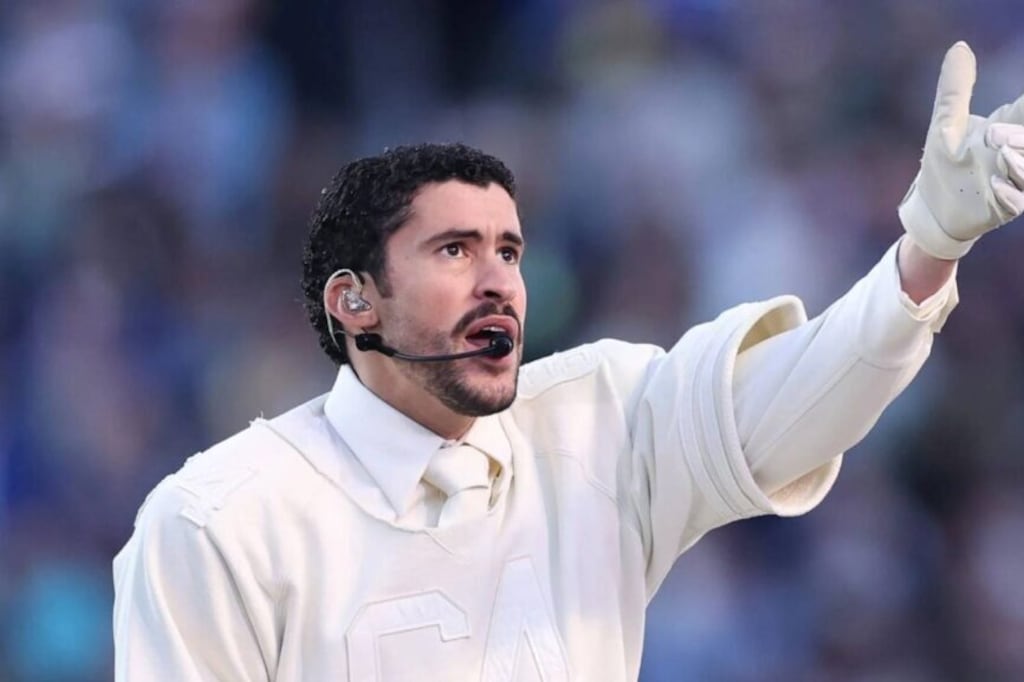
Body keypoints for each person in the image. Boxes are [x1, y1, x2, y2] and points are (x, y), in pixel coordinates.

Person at [112, 41, 1024, 681]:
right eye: (454, 250)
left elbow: (800, 399)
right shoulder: (219, 521)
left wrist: (928, 250)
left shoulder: (599, 422)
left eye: (509, 252)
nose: (498, 283)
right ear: (354, 302)